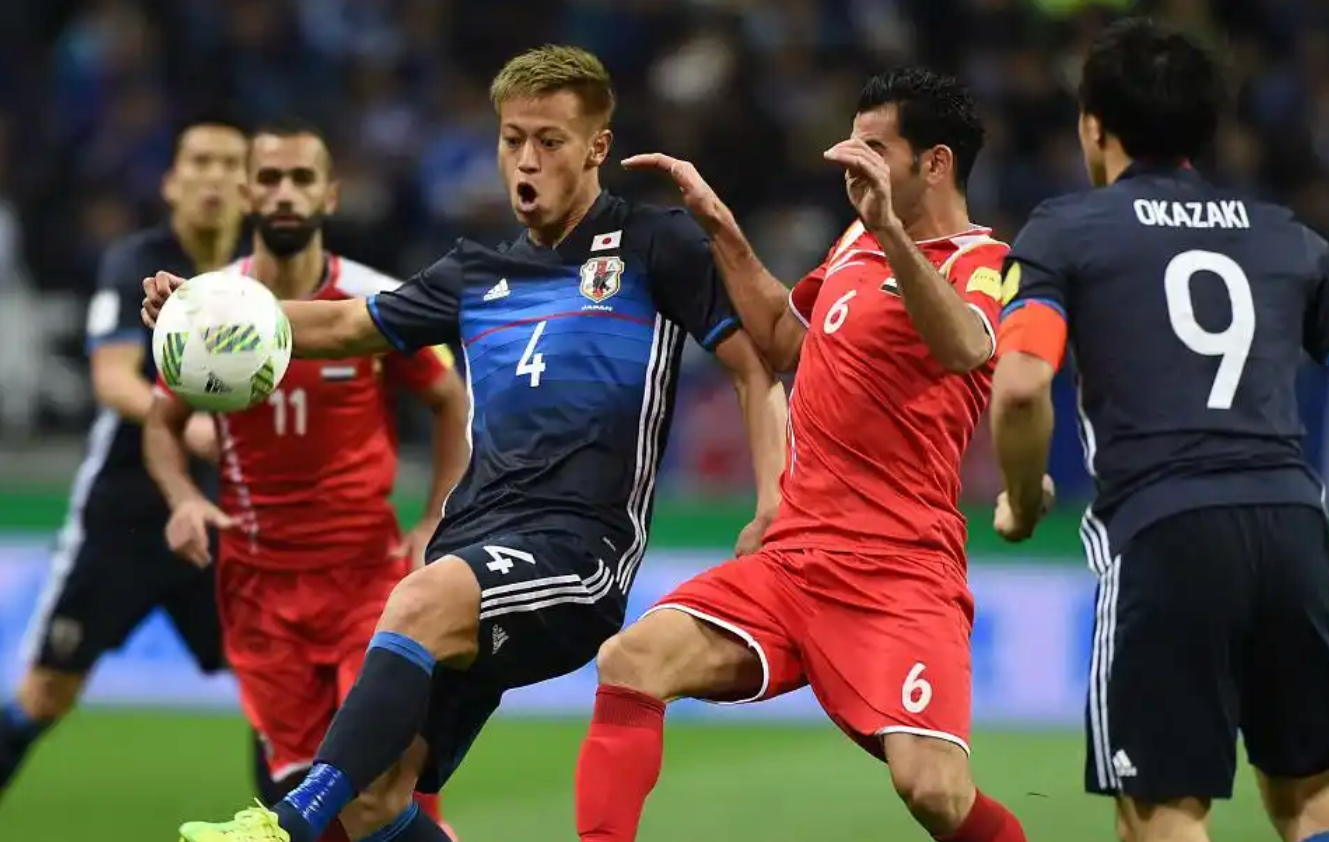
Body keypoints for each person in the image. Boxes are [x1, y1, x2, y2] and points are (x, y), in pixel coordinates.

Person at [144, 45, 787, 842]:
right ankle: (325, 813)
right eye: (512, 139)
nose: (526, 160)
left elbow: (754, 372)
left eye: (549, 141)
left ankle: (287, 826)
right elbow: (343, 325)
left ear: (597, 147)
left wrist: (771, 503)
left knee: (416, 599)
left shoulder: (655, 245)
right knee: (377, 801)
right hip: (475, 543)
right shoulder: (475, 270)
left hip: (578, 554)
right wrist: (208, 309)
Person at [573, 67, 1029, 842]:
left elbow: (964, 347)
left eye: (874, 149)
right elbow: (785, 337)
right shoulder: (854, 240)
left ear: (936, 163)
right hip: (793, 560)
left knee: (934, 792)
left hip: (898, 571)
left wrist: (891, 233)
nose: (852, 163)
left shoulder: (985, 259)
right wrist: (719, 224)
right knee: (633, 658)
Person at [990, 18, 1329, 842]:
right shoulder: (1288, 236)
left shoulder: (1065, 231)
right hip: (1294, 532)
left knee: (1161, 814)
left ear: (1094, 125)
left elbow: (1019, 388)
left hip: (1166, 533)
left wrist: (1020, 497)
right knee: (1313, 800)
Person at [143, 123, 463, 840]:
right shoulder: (211, 307)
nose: (285, 193)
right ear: (247, 192)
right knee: (306, 809)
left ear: (330, 194)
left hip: (367, 581)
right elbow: (162, 422)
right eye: (270, 178)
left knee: (380, 789)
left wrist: (434, 520)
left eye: (301, 178)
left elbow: (450, 400)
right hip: (258, 589)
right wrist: (184, 498)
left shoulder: (375, 300)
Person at [0, 119, 246, 799]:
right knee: (46, 694)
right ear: (171, 181)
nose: (214, 176)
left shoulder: (257, 280)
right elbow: (112, 379)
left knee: (273, 685)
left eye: (230, 163)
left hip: (221, 520)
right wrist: (189, 422)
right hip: (123, 515)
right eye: (199, 161)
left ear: (250, 187)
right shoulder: (137, 261)